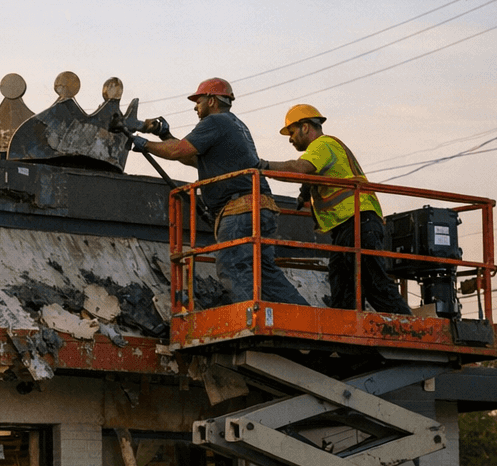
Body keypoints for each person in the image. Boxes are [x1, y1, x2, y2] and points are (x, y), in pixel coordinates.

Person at [135, 78, 309, 306]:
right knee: (264, 272)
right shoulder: (234, 124)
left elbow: (179, 151)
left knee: (231, 265)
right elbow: (193, 158)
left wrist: (144, 144)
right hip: (260, 206)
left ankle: (248, 319)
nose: (195, 106)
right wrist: (164, 135)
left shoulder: (215, 122)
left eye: (198, 101)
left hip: (240, 209)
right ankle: (302, 315)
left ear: (211, 100)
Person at [260, 105, 413, 315]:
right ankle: (348, 343)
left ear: (305, 127)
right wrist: (305, 194)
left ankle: (412, 332)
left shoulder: (323, 145)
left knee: (374, 284)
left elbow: (300, 169)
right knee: (343, 290)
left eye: (292, 132)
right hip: (349, 227)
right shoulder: (324, 151)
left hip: (358, 222)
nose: (290, 139)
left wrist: (263, 166)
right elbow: (313, 176)